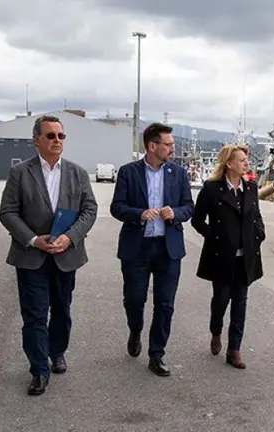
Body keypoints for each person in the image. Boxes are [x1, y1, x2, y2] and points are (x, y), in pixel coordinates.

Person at [0, 115, 98, 395]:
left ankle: (57, 352)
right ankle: (39, 369)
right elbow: (7, 212)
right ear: (37, 140)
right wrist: (32, 239)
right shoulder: (20, 173)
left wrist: (69, 237)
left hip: (66, 256)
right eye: (51, 135)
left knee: (62, 311)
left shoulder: (78, 173)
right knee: (34, 315)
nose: (57, 141)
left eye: (61, 136)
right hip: (31, 257)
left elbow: (90, 210)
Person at [110, 122, 194, 377]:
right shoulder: (128, 172)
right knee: (135, 299)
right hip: (137, 248)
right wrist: (139, 214)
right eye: (168, 144)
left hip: (168, 249)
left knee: (165, 304)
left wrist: (175, 213)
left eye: (172, 144)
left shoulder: (178, 173)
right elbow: (117, 207)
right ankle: (135, 330)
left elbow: (189, 207)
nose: (172, 148)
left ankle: (156, 354)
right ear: (152, 146)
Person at [191, 145, 265, 369]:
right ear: (229, 164)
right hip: (222, 256)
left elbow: (256, 216)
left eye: (246, 160)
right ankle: (216, 331)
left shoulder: (250, 188)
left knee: (240, 303)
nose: (246, 164)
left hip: (245, 257)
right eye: (241, 160)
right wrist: (214, 237)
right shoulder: (212, 189)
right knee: (221, 300)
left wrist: (260, 234)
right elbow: (197, 220)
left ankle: (235, 349)